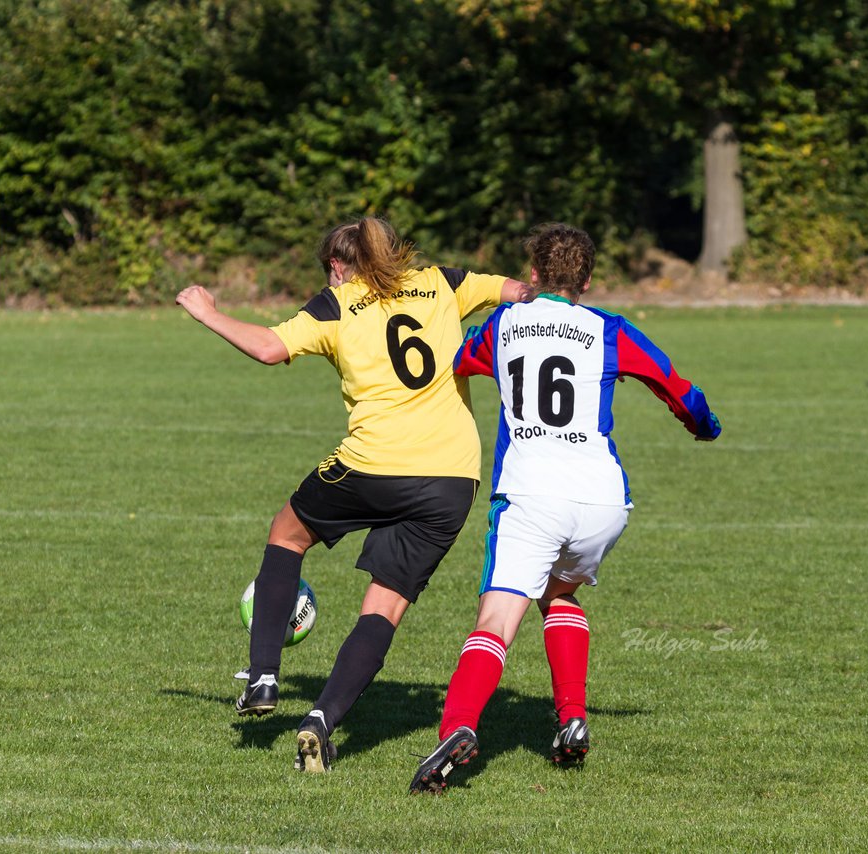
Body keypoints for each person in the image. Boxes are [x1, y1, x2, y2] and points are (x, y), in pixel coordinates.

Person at [175, 217, 529, 773]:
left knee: (286, 534)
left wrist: (206, 311)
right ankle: (321, 720)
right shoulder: (442, 281)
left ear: (339, 266)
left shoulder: (335, 305)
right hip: (452, 479)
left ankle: (264, 675)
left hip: (373, 464)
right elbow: (518, 292)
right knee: (384, 605)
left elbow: (269, 348)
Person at [408, 223, 722, 794]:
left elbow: (458, 363)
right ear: (588, 279)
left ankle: (455, 729)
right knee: (561, 593)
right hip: (604, 500)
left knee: (497, 622)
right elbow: (677, 387)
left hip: (532, 493)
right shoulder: (609, 329)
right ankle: (572, 716)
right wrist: (702, 426)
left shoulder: (502, 324)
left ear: (532, 275)